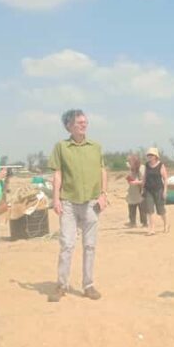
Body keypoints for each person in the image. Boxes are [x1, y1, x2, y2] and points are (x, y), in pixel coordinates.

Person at [47, 109, 108, 302]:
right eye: (79, 122)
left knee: (90, 246)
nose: (83, 125)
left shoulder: (96, 147)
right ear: (69, 126)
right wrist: (55, 199)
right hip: (68, 203)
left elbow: (102, 171)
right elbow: (57, 174)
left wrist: (104, 194)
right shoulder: (61, 147)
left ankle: (88, 285)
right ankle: (61, 285)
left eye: (85, 122)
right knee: (67, 244)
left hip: (91, 203)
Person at [143, 147, 169, 236]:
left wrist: (165, 191)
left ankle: (166, 224)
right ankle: (152, 229)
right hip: (148, 190)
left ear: (155, 156)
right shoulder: (147, 165)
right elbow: (144, 177)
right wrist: (142, 188)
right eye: (148, 155)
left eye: (151, 155)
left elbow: (165, 179)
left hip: (159, 190)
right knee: (150, 210)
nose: (149, 156)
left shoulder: (161, 165)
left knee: (161, 210)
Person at [124, 154, 147, 228]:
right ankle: (132, 222)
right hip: (132, 191)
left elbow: (145, 181)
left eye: (130, 161)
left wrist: (136, 182)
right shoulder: (131, 167)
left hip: (141, 191)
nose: (128, 163)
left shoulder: (142, 168)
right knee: (131, 206)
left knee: (142, 208)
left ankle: (144, 223)